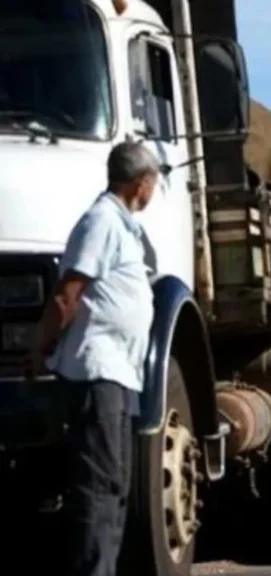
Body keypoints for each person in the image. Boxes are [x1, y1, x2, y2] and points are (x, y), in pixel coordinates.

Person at [26, 141, 159, 576]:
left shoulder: (123, 227)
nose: (154, 190)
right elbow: (67, 296)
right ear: (141, 184)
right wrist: (40, 348)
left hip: (118, 374)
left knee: (115, 486)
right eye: (154, 183)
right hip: (96, 373)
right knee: (100, 488)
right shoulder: (101, 222)